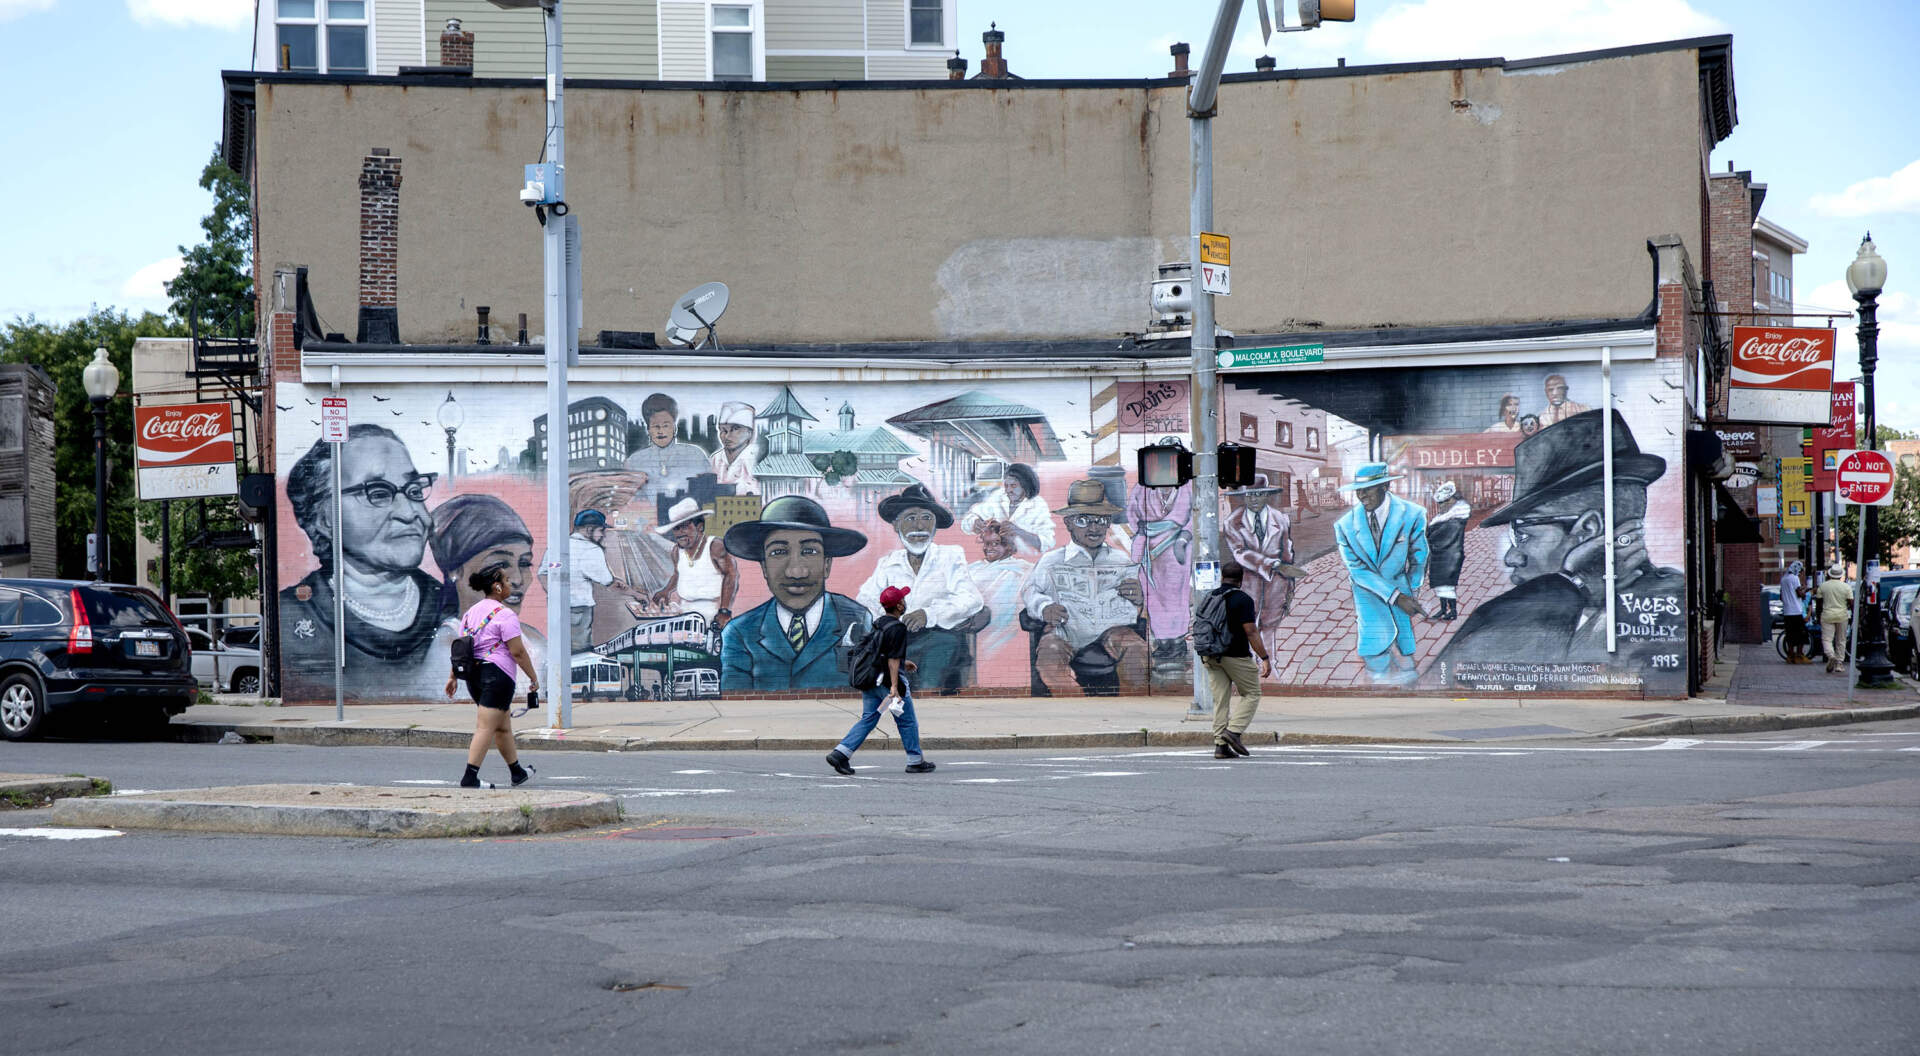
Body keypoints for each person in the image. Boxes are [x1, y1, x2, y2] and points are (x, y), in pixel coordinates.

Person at [1435, 410, 1683, 682]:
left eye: (1525, 536)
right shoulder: (1664, 598)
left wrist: (1567, 585)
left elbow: (1451, 679)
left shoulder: (1667, 608)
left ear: (1588, 530)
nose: (1511, 556)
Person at [279, 425, 442, 697]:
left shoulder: (452, 605)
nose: (409, 513)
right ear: (325, 519)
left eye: (413, 491)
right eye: (378, 493)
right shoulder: (292, 614)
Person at [720, 495, 871, 692]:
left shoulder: (857, 619)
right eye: (778, 552)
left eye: (809, 552)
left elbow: (867, 690)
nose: (796, 572)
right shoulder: (740, 632)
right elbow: (736, 703)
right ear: (764, 567)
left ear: (827, 564)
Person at [1020, 479, 1149, 694]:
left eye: (1100, 520)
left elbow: (1141, 600)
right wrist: (1044, 607)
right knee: (1049, 657)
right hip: (1066, 630)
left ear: (1108, 523)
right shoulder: (1052, 560)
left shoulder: (1122, 560)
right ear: (1068, 523)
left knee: (1137, 649)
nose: (1094, 527)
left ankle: (1129, 708)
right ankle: (1075, 705)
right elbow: (1030, 591)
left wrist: (1139, 597)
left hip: (1111, 630)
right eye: (1083, 520)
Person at [856, 483, 985, 693]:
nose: (920, 526)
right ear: (896, 525)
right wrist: (889, 619)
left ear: (935, 525)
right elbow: (866, 600)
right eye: (911, 518)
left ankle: (926, 700)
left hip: (941, 640)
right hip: (898, 641)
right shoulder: (888, 563)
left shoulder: (950, 556)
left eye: (927, 518)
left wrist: (928, 614)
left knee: (936, 660)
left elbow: (971, 598)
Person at [443, 565, 539, 789]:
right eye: (506, 580)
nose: (510, 584)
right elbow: (518, 652)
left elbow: (462, 649)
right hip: (497, 677)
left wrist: (453, 677)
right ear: (497, 587)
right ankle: (470, 778)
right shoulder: (505, 615)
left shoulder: (469, 614)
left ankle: (517, 772)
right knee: (485, 727)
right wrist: (533, 679)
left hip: (474, 678)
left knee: (502, 727)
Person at [1333, 462, 1429, 685]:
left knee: (1407, 660)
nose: (1362, 495)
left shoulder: (1412, 514)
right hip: (1368, 595)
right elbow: (1357, 570)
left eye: (1368, 489)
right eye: (1358, 489)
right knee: (1375, 656)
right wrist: (1397, 596)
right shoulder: (1345, 526)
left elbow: (1419, 555)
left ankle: (1406, 685)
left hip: (1403, 595)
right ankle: (1380, 682)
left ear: (1385, 486)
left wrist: (1413, 588)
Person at [826, 585, 936, 776]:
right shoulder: (898, 628)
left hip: (871, 681)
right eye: (902, 599)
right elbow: (892, 658)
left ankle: (841, 753)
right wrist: (894, 687)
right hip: (887, 685)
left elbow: (883, 653)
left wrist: (904, 662)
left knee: (869, 718)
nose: (904, 602)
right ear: (900, 606)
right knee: (907, 721)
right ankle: (915, 761)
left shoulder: (880, 623)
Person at [1199, 562, 1273, 760]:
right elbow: (1250, 630)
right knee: (1252, 693)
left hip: (1210, 653)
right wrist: (1264, 657)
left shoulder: (1210, 597)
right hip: (1235, 654)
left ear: (1221, 577)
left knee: (1220, 700)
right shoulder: (1242, 599)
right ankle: (1233, 731)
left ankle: (1220, 746)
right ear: (1241, 580)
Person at [1222, 474, 1296, 659]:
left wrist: (1290, 583)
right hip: (1248, 582)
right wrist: (1269, 563)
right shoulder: (1233, 522)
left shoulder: (1280, 518)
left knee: (1270, 625)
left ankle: (1270, 666)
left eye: (1259, 494)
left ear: (1267, 495)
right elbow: (1239, 552)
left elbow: (1287, 553)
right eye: (1249, 495)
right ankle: (1250, 664)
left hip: (1276, 582)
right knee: (1247, 625)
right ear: (1243, 496)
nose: (1253, 499)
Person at [650, 497, 738, 630]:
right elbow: (678, 573)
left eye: (685, 527)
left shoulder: (715, 546)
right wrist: (666, 591)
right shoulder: (676, 551)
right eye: (676, 528)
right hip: (684, 612)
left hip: (713, 614)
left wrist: (724, 611)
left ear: (700, 526)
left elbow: (731, 575)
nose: (680, 533)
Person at [1127, 478, 1194, 651]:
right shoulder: (1142, 486)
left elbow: (1196, 515)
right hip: (1148, 546)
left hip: (1178, 545)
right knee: (1153, 595)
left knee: (1176, 595)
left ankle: (1178, 640)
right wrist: (1142, 535)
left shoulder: (1188, 486)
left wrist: (1183, 539)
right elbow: (1133, 515)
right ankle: (1163, 641)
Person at [623, 393, 711, 508]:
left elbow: (709, 491)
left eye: (666, 426)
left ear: (674, 428)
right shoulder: (634, 461)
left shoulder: (695, 455)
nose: (661, 431)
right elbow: (628, 499)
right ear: (648, 429)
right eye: (656, 426)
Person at [964, 519, 1034, 664]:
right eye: (987, 543)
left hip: (1007, 636)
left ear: (1007, 545)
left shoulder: (1023, 568)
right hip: (974, 630)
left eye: (995, 543)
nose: (989, 548)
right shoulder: (971, 568)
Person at [960, 462, 1054, 557]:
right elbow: (969, 519)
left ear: (1025, 486)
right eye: (1006, 485)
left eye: (1013, 486)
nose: (1008, 490)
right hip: (999, 560)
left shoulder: (1037, 505)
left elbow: (1047, 543)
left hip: (1024, 561)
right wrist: (974, 522)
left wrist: (1019, 532)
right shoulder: (999, 496)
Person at [568, 509, 623, 651]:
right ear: (589, 529)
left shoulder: (558, 547)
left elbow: (544, 573)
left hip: (558, 610)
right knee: (581, 650)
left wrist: (555, 596)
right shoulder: (591, 550)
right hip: (580, 609)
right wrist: (637, 594)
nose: (603, 535)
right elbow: (610, 583)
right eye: (601, 531)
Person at [1426, 480, 1471, 621]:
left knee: (1447, 585)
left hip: (1449, 556)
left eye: (1444, 502)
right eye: (1440, 503)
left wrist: (1429, 542)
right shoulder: (1445, 518)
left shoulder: (1455, 519)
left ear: (1452, 500)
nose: (1441, 506)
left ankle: (1452, 611)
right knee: (1440, 585)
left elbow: (1444, 538)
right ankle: (1443, 609)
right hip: (1442, 556)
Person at [711, 401, 760, 493]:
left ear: (749, 432)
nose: (727, 436)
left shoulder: (756, 458)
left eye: (735, 429)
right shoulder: (715, 459)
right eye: (723, 430)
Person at [1817, 563, 1854, 674]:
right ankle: (1839, 663)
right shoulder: (1846, 587)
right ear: (1840, 575)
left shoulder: (1823, 586)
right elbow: (1851, 603)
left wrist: (1818, 616)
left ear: (1830, 574)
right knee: (1841, 640)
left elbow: (1819, 604)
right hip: (1842, 616)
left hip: (1827, 615)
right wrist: (1853, 615)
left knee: (1827, 639)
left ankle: (1830, 655)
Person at [1778, 560, 1809, 664]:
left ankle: (1790, 656)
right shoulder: (1795, 578)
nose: (1800, 574)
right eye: (1800, 571)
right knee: (1801, 634)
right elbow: (1800, 594)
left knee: (1790, 635)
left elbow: (1781, 596)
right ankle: (1799, 655)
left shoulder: (1783, 579)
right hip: (1796, 610)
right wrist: (1805, 591)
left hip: (1787, 611)